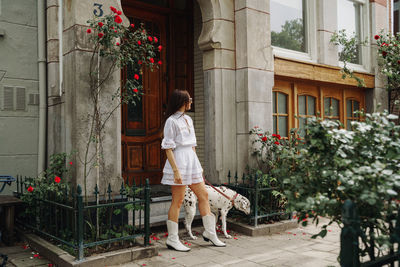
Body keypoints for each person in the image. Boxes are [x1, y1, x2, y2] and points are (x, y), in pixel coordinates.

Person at [161, 89, 226, 252]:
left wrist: (198, 166)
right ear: (182, 101)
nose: (191, 101)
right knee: (178, 200)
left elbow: (193, 146)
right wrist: (176, 171)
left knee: (203, 195)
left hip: (191, 161)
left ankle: (210, 233)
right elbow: (168, 148)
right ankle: (172, 239)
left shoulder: (189, 119)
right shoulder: (171, 121)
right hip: (179, 161)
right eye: (189, 99)